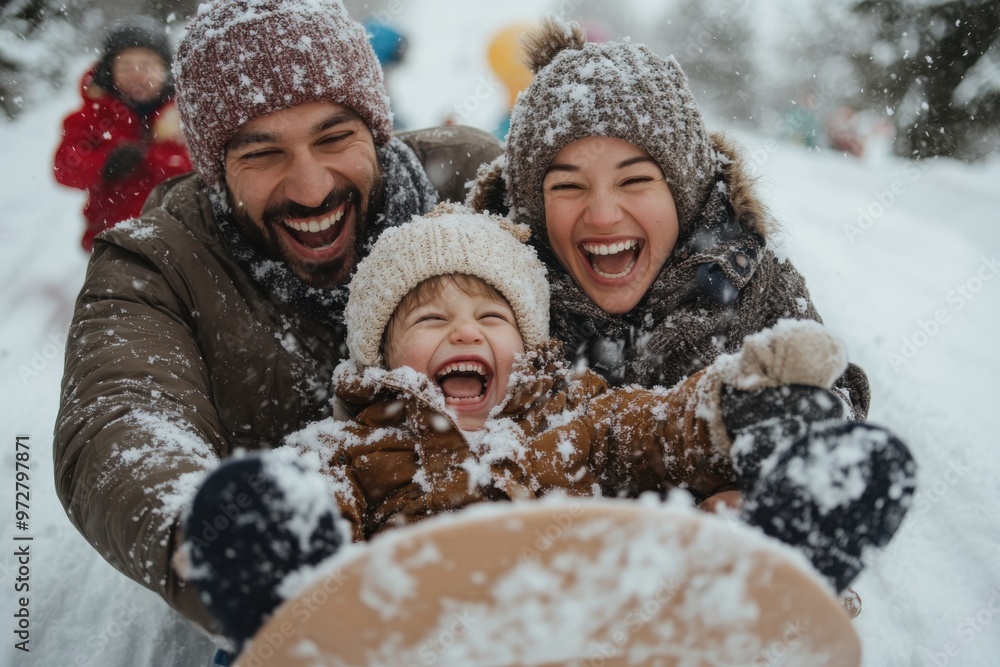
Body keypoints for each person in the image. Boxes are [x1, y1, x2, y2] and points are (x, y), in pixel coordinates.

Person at [178, 205, 915, 650]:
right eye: (431, 318)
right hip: (420, 646)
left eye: (492, 317)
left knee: (681, 574)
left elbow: (652, 428)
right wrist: (285, 536)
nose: (465, 332)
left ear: (526, 344)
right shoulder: (352, 445)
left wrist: (734, 407)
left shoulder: (572, 413)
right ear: (379, 352)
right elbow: (318, 494)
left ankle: (778, 559)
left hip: (586, 641)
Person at [53, 0, 501, 638]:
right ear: (213, 169)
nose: (312, 188)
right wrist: (217, 539)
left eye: (334, 137)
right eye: (262, 154)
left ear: (377, 130)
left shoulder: (468, 181)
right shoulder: (156, 263)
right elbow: (121, 417)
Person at [469, 18, 872, 421]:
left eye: (635, 180)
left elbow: (835, 408)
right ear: (532, 208)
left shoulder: (754, 285)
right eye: (568, 187)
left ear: (686, 192)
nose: (604, 216)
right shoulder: (490, 298)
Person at [53, 18, 192, 252]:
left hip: (179, 234)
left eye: (148, 65)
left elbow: (200, 168)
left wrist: (149, 156)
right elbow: (64, 168)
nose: (137, 74)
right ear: (109, 71)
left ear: (166, 69)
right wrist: (105, 162)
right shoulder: (92, 115)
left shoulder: (185, 113)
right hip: (113, 238)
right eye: (126, 66)